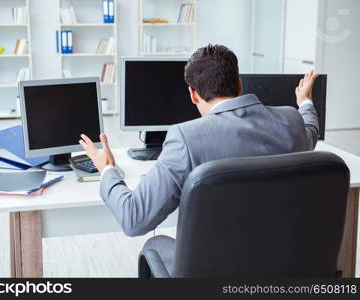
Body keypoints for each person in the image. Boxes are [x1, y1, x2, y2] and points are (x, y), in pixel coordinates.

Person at [79, 44, 319, 244]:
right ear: (239, 84)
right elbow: (310, 133)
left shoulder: (185, 137)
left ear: (193, 94)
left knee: (156, 244)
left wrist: (107, 169)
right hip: (284, 259)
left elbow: (134, 219)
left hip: (216, 267)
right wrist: (305, 102)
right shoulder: (291, 119)